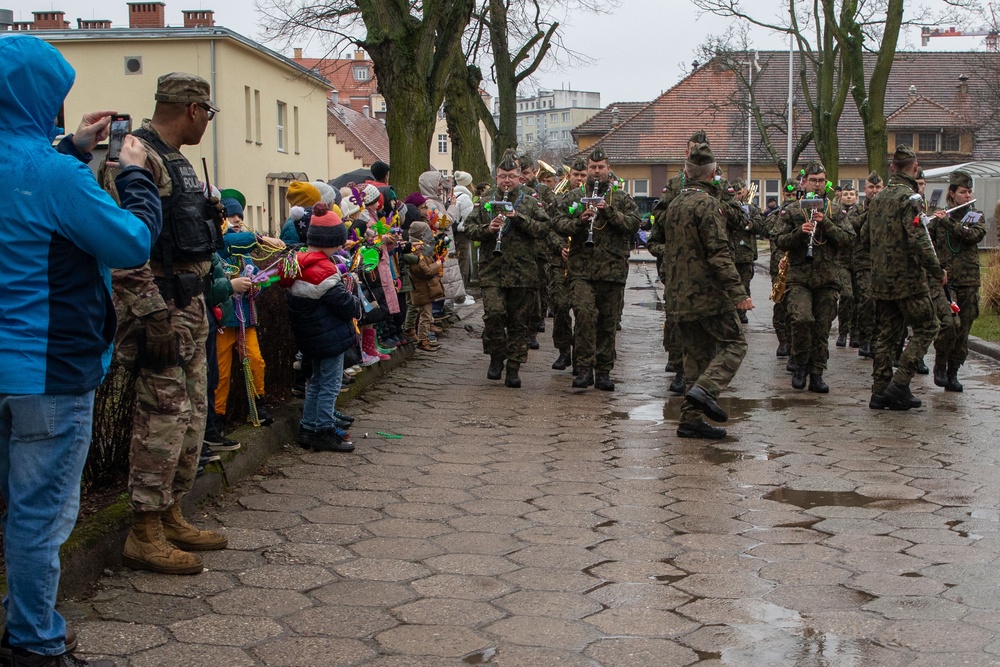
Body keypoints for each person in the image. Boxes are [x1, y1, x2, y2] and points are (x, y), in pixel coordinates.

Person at [0, 34, 162, 667]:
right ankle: (35, 644)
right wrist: (135, 177)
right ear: (41, 98)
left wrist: (72, 149)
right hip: (49, 372)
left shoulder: (46, 167)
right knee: (38, 519)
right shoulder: (56, 176)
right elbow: (128, 245)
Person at [101, 72, 228, 576]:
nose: (206, 122)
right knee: (160, 419)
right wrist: (152, 314)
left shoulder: (177, 162)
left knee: (191, 415)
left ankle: (171, 511)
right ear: (193, 109)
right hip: (160, 308)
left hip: (189, 305)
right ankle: (143, 531)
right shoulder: (137, 159)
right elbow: (122, 247)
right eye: (208, 113)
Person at [661, 143, 752, 439]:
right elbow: (719, 253)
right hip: (708, 295)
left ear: (686, 174)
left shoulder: (675, 203)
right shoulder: (708, 205)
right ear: (713, 175)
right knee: (735, 343)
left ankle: (690, 420)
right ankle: (706, 390)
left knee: (696, 357)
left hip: (679, 296)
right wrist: (739, 294)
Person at [554, 146, 641, 391]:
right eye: (592, 168)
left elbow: (634, 224)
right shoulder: (573, 198)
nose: (596, 172)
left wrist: (609, 212)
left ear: (608, 169)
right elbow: (557, 222)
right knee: (583, 315)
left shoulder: (620, 198)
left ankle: (603, 371)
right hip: (581, 269)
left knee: (607, 322)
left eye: (600, 167)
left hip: (612, 271)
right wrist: (579, 221)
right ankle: (583, 368)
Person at [867, 145, 944, 410]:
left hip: (880, 278)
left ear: (892, 168)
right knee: (927, 326)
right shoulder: (910, 199)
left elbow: (867, 237)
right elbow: (919, 239)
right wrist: (937, 270)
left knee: (887, 334)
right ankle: (899, 384)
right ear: (914, 167)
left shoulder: (877, 199)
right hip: (908, 280)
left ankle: (879, 391)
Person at [465, 150, 549, 387]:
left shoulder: (530, 201)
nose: (506, 181)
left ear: (520, 177)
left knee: (518, 322)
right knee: (493, 315)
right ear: (496, 177)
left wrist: (518, 218)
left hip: (523, 273)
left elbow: (544, 229)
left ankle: (513, 367)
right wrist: (487, 229)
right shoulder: (486, 199)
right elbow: (468, 228)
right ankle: (495, 357)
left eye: (511, 176)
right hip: (493, 270)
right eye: (502, 176)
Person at [281, 203, 360, 452]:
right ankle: (323, 431)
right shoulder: (324, 270)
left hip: (310, 337)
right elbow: (344, 304)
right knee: (329, 384)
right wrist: (354, 294)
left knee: (314, 382)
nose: (340, 247)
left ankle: (308, 427)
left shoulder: (298, 264)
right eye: (338, 243)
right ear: (329, 242)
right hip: (329, 337)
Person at [771, 162, 854, 393]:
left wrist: (824, 223)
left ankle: (817, 372)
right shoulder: (793, 210)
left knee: (822, 327)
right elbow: (778, 238)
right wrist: (800, 233)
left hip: (827, 278)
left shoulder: (834, 211)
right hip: (799, 276)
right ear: (804, 182)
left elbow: (848, 239)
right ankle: (799, 364)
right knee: (801, 319)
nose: (817, 185)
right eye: (812, 180)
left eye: (821, 180)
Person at [214, 195, 285, 426]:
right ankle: (217, 415)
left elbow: (258, 282)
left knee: (255, 360)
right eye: (231, 216)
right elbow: (227, 246)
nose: (236, 220)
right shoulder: (219, 247)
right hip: (223, 322)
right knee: (221, 370)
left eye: (240, 216)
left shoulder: (245, 255)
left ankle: (257, 404)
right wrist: (260, 238)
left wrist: (255, 286)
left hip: (246, 319)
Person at [929, 169, 986, 392]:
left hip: (969, 281)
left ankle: (953, 371)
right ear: (952, 193)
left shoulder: (976, 216)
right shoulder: (939, 217)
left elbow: (973, 235)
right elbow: (927, 242)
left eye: (969, 191)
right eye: (963, 191)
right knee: (951, 325)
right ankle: (940, 365)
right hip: (947, 282)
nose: (967, 195)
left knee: (964, 329)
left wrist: (950, 225)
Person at [549, 157, 588, 371]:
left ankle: (580, 354)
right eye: (576, 175)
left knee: (582, 310)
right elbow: (550, 229)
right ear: (569, 176)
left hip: (582, 262)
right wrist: (560, 247)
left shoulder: (590, 197)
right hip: (560, 261)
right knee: (561, 307)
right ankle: (564, 350)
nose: (579, 179)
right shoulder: (558, 199)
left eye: (583, 175)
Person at [851, 172, 883, 359]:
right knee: (866, 299)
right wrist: (870, 212)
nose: (875, 191)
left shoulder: (887, 209)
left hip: (883, 262)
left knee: (881, 302)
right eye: (871, 187)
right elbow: (852, 225)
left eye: (878, 187)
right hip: (863, 261)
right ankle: (864, 338)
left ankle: (877, 340)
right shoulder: (857, 210)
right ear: (865, 190)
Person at [727, 178, 766, 325]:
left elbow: (759, 226)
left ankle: (742, 313)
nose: (738, 196)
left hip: (745, 253)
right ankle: (732, 312)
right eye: (735, 194)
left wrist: (746, 223)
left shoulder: (752, 208)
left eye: (740, 193)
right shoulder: (728, 207)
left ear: (745, 191)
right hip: (730, 252)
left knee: (745, 285)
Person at [406, 221, 446, 352]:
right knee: (425, 317)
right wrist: (438, 265)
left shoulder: (422, 250)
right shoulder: (416, 253)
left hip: (424, 290)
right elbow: (425, 271)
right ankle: (422, 340)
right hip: (422, 290)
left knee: (426, 316)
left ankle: (425, 339)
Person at [833, 185, 858, 347]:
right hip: (841, 260)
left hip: (859, 260)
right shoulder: (835, 211)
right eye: (846, 194)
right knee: (847, 295)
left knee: (859, 298)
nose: (849, 197)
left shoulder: (862, 210)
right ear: (841, 196)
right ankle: (843, 332)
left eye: (852, 194)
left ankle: (855, 334)